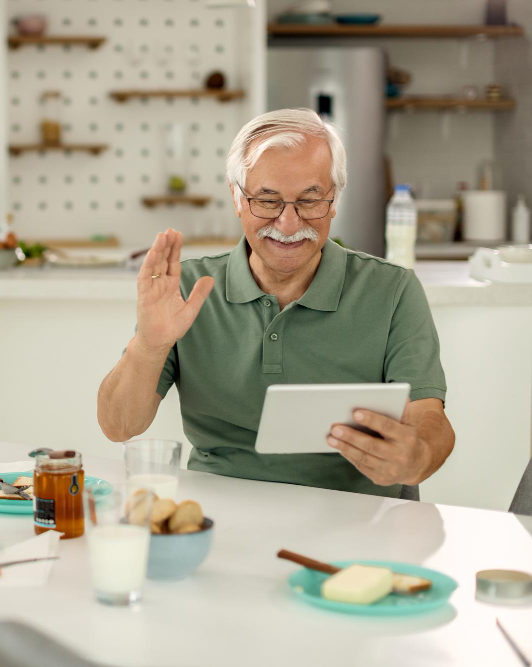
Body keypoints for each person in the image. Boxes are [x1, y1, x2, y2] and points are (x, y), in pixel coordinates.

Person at [97, 108, 454, 498]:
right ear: (236, 198)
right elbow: (119, 426)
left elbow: (429, 418)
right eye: (267, 201)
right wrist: (149, 345)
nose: (288, 223)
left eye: (310, 201)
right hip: (224, 508)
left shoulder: (393, 290)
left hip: (358, 514)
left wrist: (416, 457)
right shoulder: (186, 287)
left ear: (334, 202)